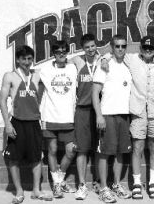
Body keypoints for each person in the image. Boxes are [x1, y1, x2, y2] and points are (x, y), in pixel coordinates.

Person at [101, 35, 154, 199]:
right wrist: (104, 57)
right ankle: (137, 183)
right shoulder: (132, 59)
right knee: (137, 148)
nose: (147, 51)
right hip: (137, 111)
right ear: (140, 48)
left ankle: (152, 183)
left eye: (151, 48)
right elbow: (115, 53)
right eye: (145, 48)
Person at [0, 45, 52, 203]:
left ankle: (36, 190)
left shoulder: (37, 75)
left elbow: (63, 63)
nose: (27, 62)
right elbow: (2, 102)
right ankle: (19, 191)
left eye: (30, 59)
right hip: (17, 122)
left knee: (36, 158)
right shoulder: (10, 76)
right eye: (24, 59)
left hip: (34, 123)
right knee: (14, 159)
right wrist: (7, 125)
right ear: (17, 59)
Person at [92, 34, 132, 203]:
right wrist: (99, 115)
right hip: (107, 115)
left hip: (124, 115)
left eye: (123, 46)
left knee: (120, 152)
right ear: (111, 47)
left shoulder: (128, 65)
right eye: (117, 46)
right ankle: (103, 188)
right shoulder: (104, 65)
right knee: (104, 153)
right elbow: (94, 93)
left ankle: (116, 184)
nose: (120, 49)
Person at [40, 40, 77, 198]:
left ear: (67, 52)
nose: (61, 54)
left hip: (68, 116)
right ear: (53, 54)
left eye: (64, 51)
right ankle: (56, 184)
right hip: (50, 116)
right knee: (53, 150)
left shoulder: (72, 68)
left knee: (70, 151)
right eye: (58, 51)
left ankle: (59, 179)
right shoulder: (46, 69)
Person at [69, 34, 100, 200]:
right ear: (83, 48)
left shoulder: (103, 60)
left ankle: (98, 181)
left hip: (100, 111)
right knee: (82, 149)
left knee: (99, 149)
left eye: (93, 46)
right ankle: (82, 184)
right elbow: (59, 66)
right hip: (82, 110)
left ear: (96, 46)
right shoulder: (77, 61)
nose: (90, 49)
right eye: (87, 47)